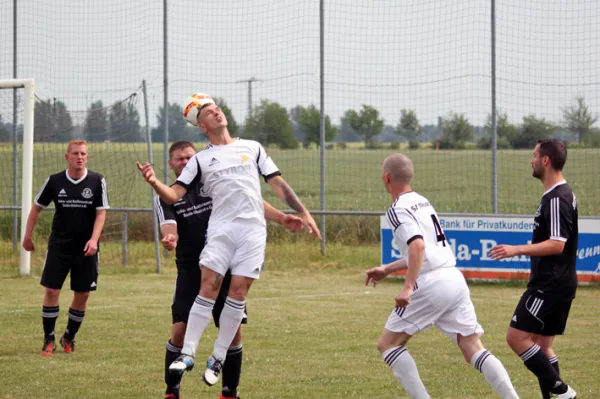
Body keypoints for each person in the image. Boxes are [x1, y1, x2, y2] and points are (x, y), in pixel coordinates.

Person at [137, 94, 321, 387]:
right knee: (209, 285)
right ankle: (188, 354)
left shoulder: (253, 148)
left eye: (217, 108)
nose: (217, 112)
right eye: (209, 111)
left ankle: (218, 357)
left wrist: (300, 212)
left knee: (238, 294)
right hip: (221, 230)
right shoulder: (200, 160)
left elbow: (276, 185)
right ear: (202, 125)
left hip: (253, 232)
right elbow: (173, 195)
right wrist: (154, 182)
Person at [156, 140, 304, 399]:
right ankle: (172, 390)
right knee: (179, 328)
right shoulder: (168, 196)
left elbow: (250, 204)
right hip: (192, 269)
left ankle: (229, 392)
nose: (185, 162)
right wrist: (170, 238)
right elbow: (168, 226)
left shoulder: (213, 182)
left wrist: (282, 217)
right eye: (179, 159)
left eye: (189, 157)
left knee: (234, 330)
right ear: (171, 164)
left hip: (227, 263)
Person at [365, 153, 519, 399]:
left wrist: (407, 286)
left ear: (386, 178)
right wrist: (387, 269)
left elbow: (418, 247)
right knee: (472, 346)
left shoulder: (397, 209)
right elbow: (424, 250)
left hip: (430, 284)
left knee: (388, 344)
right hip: (453, 279)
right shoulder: (423, 202)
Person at [489, 139, 578, 399]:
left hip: (549, 285)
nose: (531, 160)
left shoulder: (556, 198)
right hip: (559, 282)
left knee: (516, 338)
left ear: (546, 161)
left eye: (534, 155)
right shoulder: (562, 194)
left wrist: (516, 249)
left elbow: (556, 244)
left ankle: (564, 393)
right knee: (542, 345)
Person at [23, 139, 109, 356]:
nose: (79, 157)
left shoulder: (97, 181)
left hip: (86, 249)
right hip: (59, 246)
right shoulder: (55, 181)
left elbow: (101, 212)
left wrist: (93, 240)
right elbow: (36, 209)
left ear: (87, 157)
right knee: (51, 290)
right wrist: (27, 236)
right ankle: (48, 339)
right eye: (75, 153)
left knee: (83, 294)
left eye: (83, 154)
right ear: (67, 157)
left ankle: (69, 336)